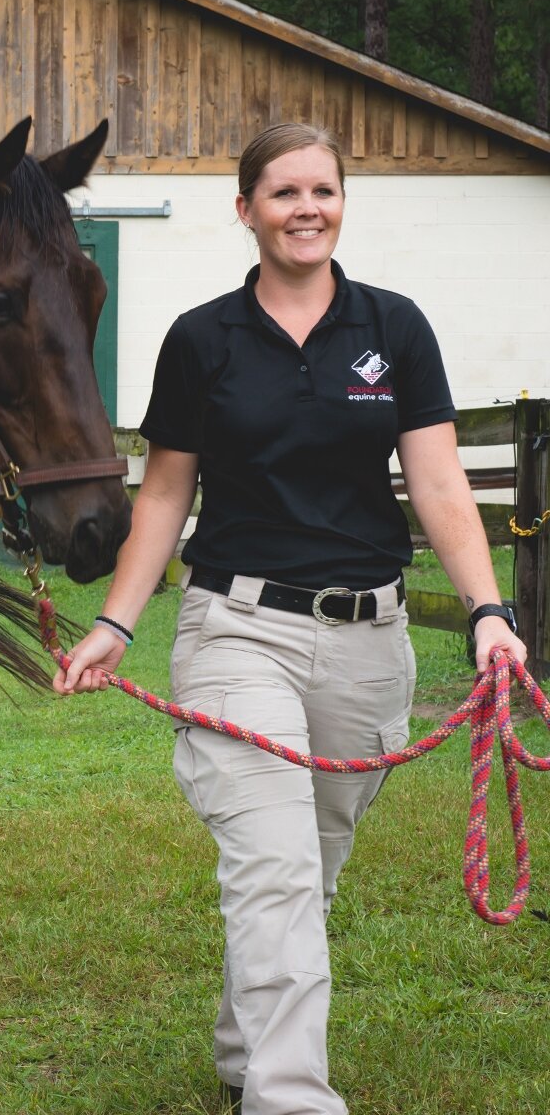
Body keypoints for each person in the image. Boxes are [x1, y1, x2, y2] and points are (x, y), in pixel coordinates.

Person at [54, 123, 527, 1115]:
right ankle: (287, 1096)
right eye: (283, 192)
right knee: (273, 867)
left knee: (308, 869)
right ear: (247, 210)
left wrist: (486, 610)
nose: (306, 208)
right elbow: (165, 495)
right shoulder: (202, 339)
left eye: (323, 190)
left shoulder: (394, 328)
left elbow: (439, 482)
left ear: (341, 203)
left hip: (369, 643)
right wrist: (115, 624)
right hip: (238, 629)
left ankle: (245, 1048)